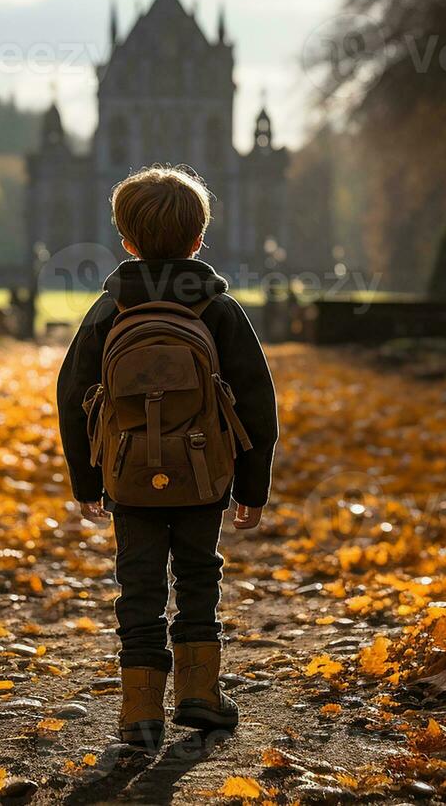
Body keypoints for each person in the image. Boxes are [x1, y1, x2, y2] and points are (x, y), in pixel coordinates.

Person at [57, 165, 279, 750]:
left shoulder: (109, 311)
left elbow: (73, 394)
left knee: (138, 585)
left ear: (125, 240)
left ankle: (139, 713)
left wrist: (87, 479)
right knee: (200, 573)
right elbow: (257, 403)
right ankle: (201, 694)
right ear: (199, 239)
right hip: (205, 475)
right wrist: (253, 489)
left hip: (127, 474)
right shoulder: (219, 311)